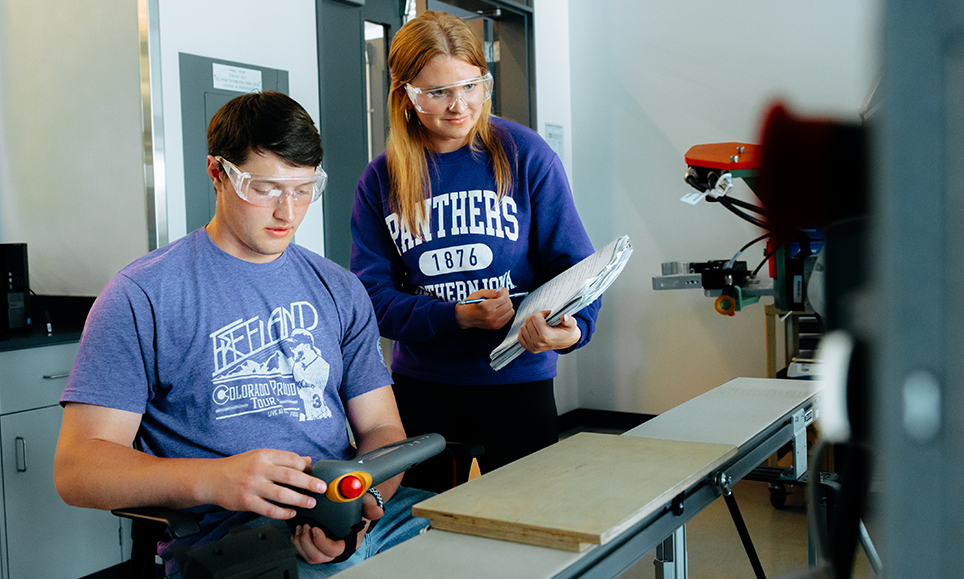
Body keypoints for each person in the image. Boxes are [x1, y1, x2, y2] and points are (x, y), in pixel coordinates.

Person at [54, 91, 433, 578]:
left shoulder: (340, 289)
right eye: (266, 188)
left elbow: (382, 428)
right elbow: (79, 469)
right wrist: (216, 480)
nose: (287, 212)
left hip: (351, 513)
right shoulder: (142, 294)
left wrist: (363, 500)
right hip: (236, 538)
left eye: (302, 189)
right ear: (217, 172)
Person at [349, 11, 602, 490]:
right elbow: (371, 298)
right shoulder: (381, 178)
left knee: (529, 526)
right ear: (406, 96)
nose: (459, 106)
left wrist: (569, 332)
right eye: (438, 92)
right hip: (422, 388)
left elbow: (575, 265)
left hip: (516, 382)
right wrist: (457, 318)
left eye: (471, 86)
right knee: (421, 531)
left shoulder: (524, 154)